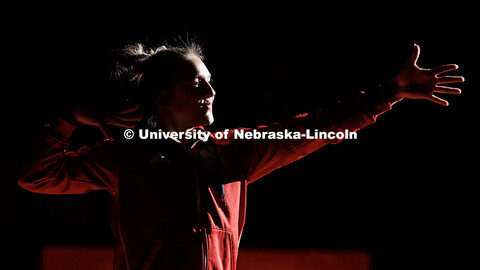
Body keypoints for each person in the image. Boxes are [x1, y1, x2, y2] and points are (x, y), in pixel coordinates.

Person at [17, 41, 464, 270]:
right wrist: (69, 117)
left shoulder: (233, 151)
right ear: (161, 97)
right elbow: (36, 176)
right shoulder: (125, 156)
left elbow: (314, 129)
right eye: (197, 85)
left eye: (210, 81)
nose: (211, 92)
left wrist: (391, 93)